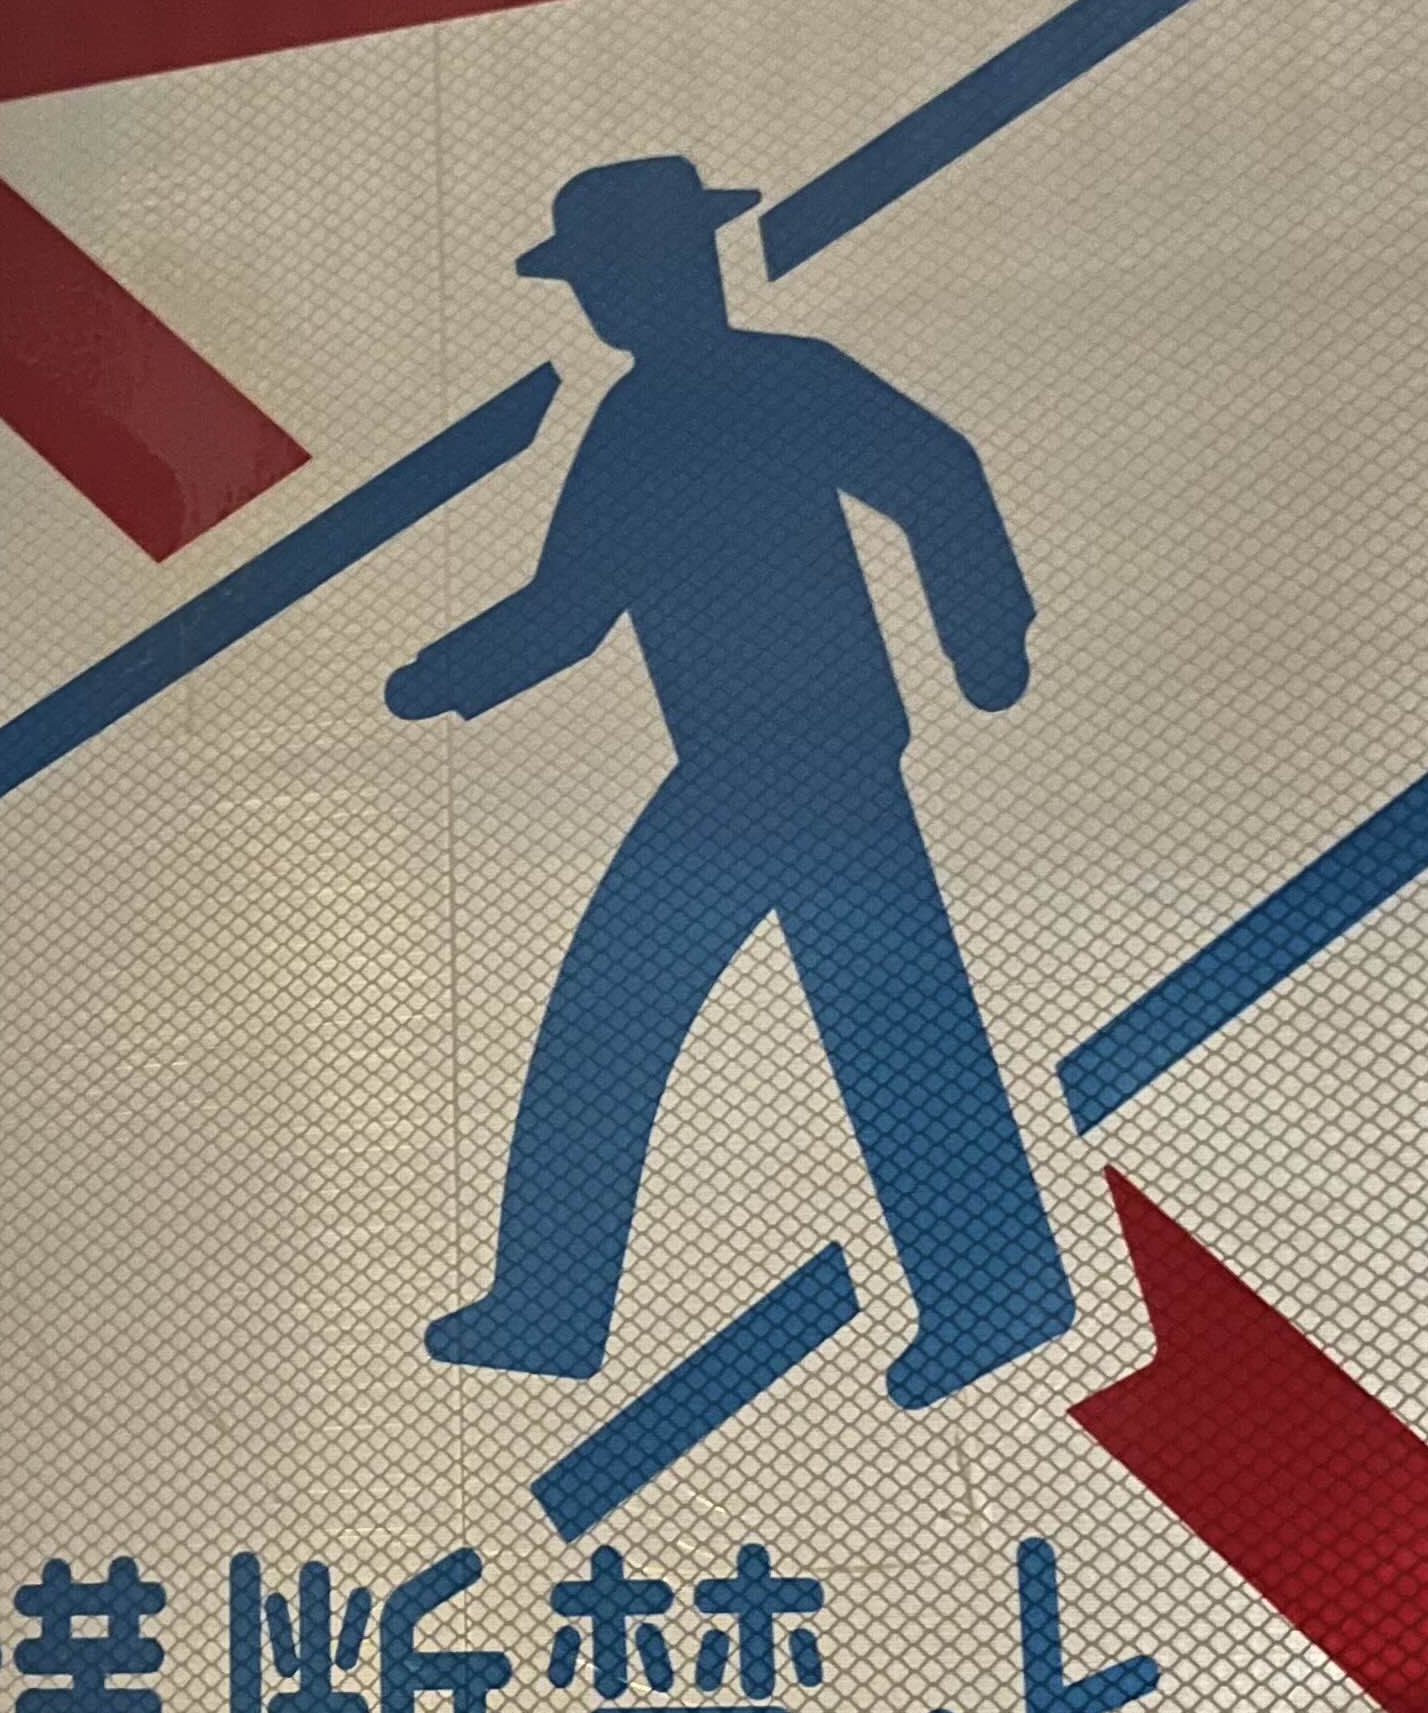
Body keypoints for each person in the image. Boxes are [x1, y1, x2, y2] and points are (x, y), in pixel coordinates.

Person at [385, 153, 1075, 1409]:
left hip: (808, 761)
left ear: (687, 266)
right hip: (755, 767)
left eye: (618, 274)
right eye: (596, 283)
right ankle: (987, 1293)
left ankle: (559, 1308)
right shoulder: (641, 421)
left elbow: (935, 473)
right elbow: (575, 606)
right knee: (861, 1023)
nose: (609, 301)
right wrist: (448, 673)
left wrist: (986, 637)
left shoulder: (779, 380)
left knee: (670, 1019)